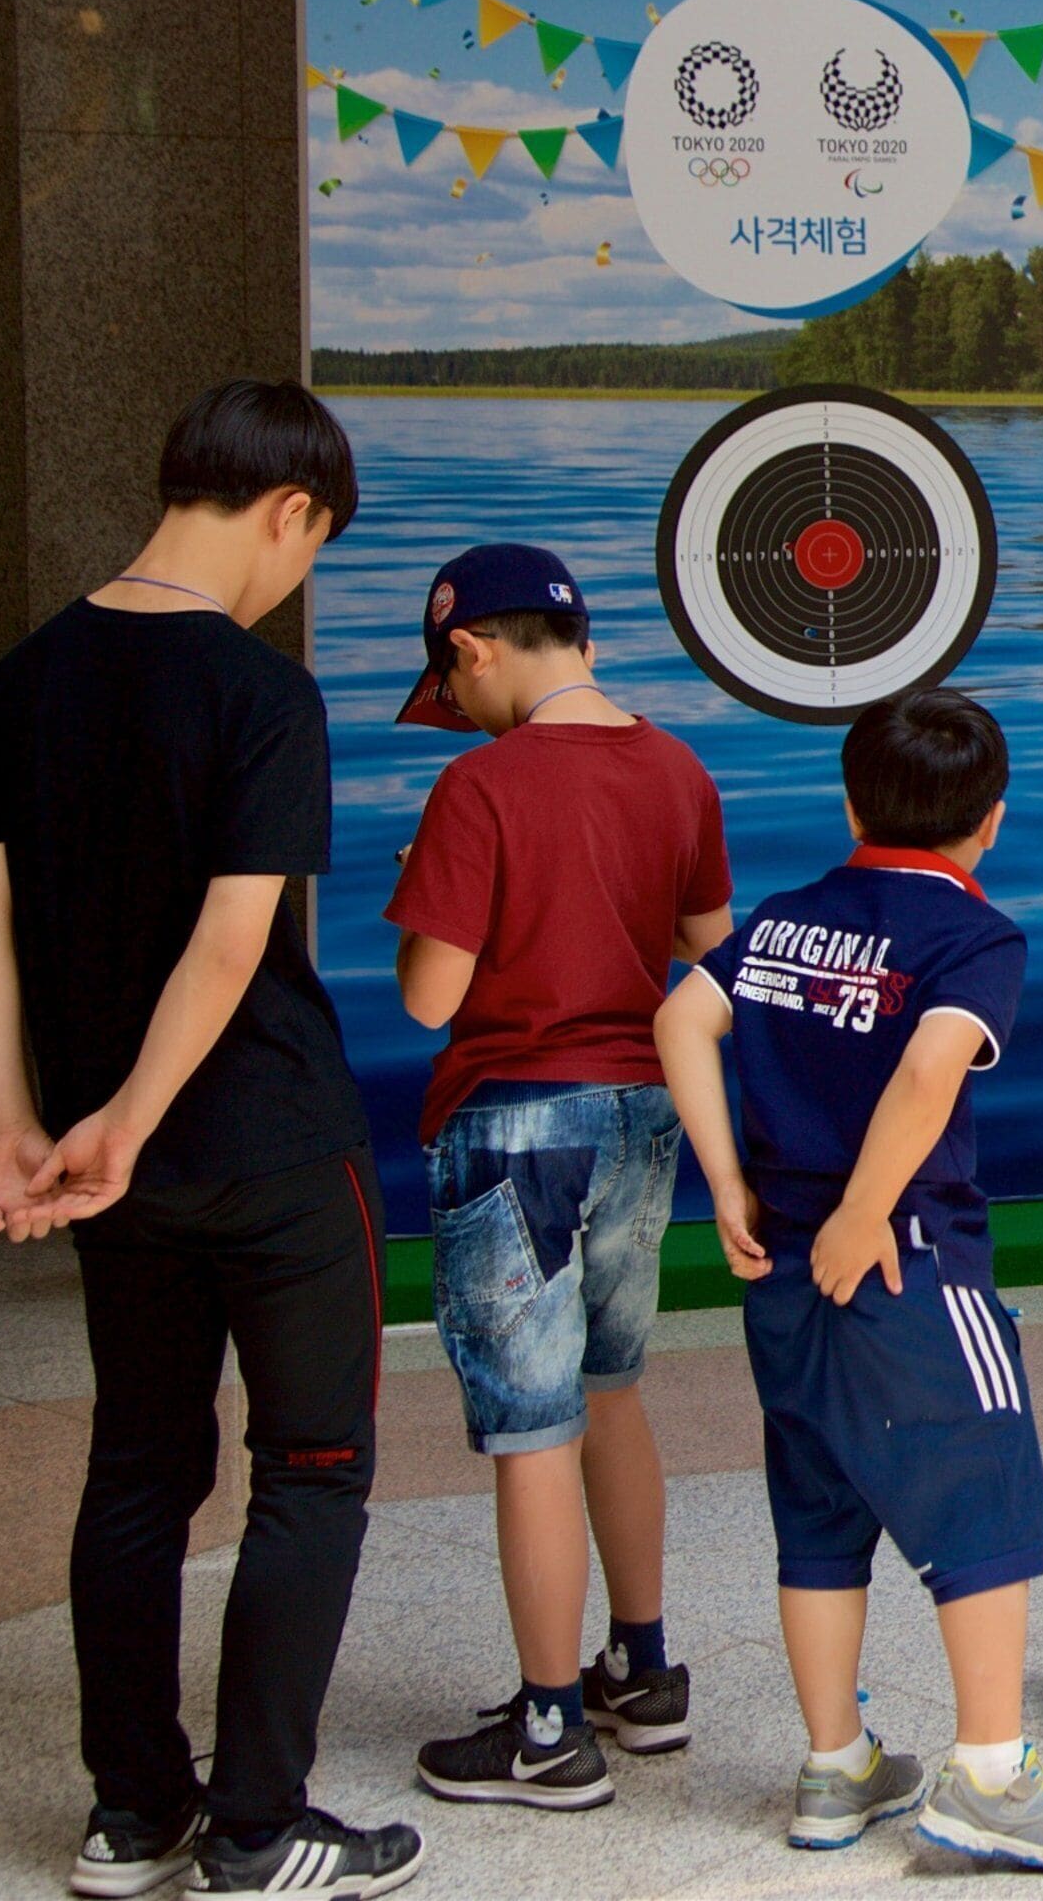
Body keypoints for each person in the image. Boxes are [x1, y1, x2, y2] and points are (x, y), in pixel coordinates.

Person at [0, 379, 422, 1900]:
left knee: (141, 1469)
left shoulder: (21, 679)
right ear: (290, 512)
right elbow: (234, 943)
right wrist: (130, 1127)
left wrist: (23, 1128)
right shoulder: (261, 693)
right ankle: (263, 1829)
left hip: (107, 1163)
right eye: (315, 547)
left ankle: (133, 1815)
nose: (300, 576)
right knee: (314, 1469)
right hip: (269, 1146)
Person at [652, 688, 1043, 1872]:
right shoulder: (974, 935)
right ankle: (990, 1780)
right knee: (988, 1504)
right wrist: (866, 1217)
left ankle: (834, 1767)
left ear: (852, 801)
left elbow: (678, 1022)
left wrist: (725, 1185)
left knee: (817, 1518)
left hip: (781, 1272)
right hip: (908, 1263)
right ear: (992, 823)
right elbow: (928, 1069)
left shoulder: (782, 917)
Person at [385, 544, 732, 1810]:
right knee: (614, 1391)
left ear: (471, 647)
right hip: (645, 1117)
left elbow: (430, 998)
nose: (454, 715)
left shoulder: (481, 789)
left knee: (534, 1434)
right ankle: (641, 1673)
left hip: (517, 1125)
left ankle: (544, 1731)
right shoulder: (678, 767)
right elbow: (709, 957)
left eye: (449, 684)